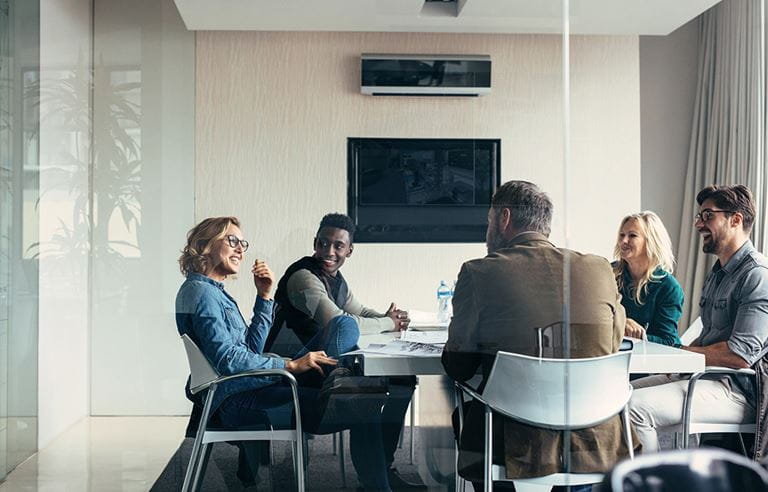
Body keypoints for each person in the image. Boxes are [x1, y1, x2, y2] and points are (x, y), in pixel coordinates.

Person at [175, 216, 399, 490]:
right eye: (231, 241)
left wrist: (264, 297)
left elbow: (250, 350)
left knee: (344, 328)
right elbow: (229, 360)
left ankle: (335, 388)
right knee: (364, 407)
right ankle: (335, 391)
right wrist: (291, 365)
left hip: (250, 390)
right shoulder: (201, 293)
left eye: (242, 243)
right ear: (205, 244)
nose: (240, 250)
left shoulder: (211, 292)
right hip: (242, 402)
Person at [442, 180, 635, 490]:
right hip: (594, 438)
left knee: (464, 412)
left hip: (514, 444)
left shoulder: (478, 272)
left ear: (504, 218)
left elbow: (458, 365)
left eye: (489, 221)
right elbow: (610, 347)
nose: (487, 230)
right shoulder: (599, 268)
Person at [267, 212, 423, 490]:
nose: (329, 251)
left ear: (349, 250)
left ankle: (382, 471)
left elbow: (359, 311)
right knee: (367, 395)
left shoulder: (337, 279)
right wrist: (387, 323)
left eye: (338, 245)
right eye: (323, 243)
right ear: (315, 242)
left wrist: (389, 319)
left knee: (402, 379)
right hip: (296, 369)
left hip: (325, 366)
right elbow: (340, 321)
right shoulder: (304, 277)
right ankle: (374, 481)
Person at [630, 185, 768, 454]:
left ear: (735, 220)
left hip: (739, 390)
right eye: (698, 216)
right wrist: (678, 360)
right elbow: (707, 336)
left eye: (707, 216)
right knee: (616, 397)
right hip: (706, 377)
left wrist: (681, 354)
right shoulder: (717, 274)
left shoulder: (757, 276)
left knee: (635, 408)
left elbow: (739, 355)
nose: (697, 224)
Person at [613, 211, 684, 346]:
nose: (623, 241)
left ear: (651, 241)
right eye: (622, 235)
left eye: (632, 235)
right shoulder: (609, 274)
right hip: (613, 357)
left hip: (650, 362)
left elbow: (669, 341)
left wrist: (638, 335)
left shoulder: (669, 287)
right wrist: (622, 322)